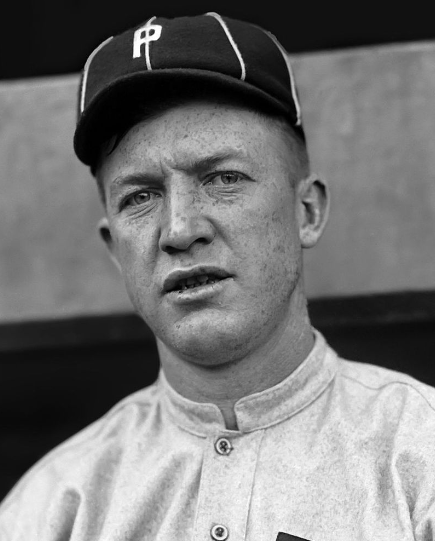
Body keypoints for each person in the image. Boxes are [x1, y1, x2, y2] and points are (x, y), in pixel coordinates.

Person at [1, 12, 435, 541]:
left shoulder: (418, 454)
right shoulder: (51, 507)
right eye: (140, 196)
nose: (179, 230)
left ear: (307, 211)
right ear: (115, 249)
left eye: (223, 178)